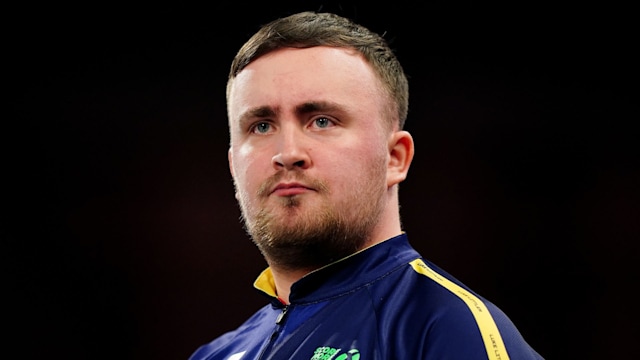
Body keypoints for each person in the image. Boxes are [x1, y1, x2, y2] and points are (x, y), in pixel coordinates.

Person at [190, 11, 544, 360]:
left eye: (321, 121)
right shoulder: (215, 354)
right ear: (234, 167)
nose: (288, 153)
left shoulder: (448, 328)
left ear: (395, 158)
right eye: (261, 126)